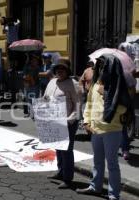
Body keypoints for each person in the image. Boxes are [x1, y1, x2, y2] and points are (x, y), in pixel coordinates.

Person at [76, 54, 131, 200]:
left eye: (102, 65)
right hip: (95, 129)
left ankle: (114, 195)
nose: (99, 68)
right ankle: (95, 187)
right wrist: (86, 121)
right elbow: (89, 104)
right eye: (98, 65)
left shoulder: (117, 84)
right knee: (97, 161)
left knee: (112, 163)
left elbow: (124, 108)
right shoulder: (95, 83)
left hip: (111, 130)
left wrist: (106, 94)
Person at [44, 58, 80, 189]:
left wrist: (70, 120)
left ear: (67, 71)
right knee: (58, 148)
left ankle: (67, 178)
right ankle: (60, 172)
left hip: (68, 122)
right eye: (57, 69)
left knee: (66, 150)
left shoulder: (73, 84)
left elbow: (78, 105)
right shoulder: (52, 82)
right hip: (54, 120)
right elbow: (45, 97)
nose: (60, 71)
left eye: (62, 69)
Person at [23, 54, 41, 118]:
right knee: (28, 100)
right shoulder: (27, 67)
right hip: (28, 85)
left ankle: (35, 114)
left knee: (35, 100)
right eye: (33, 60)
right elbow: (24, 75)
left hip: (35, 85)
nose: (34, 61)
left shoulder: (39, 68)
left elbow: (39, 76)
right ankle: (30, 113)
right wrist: (26, 77)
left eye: (35, 60)